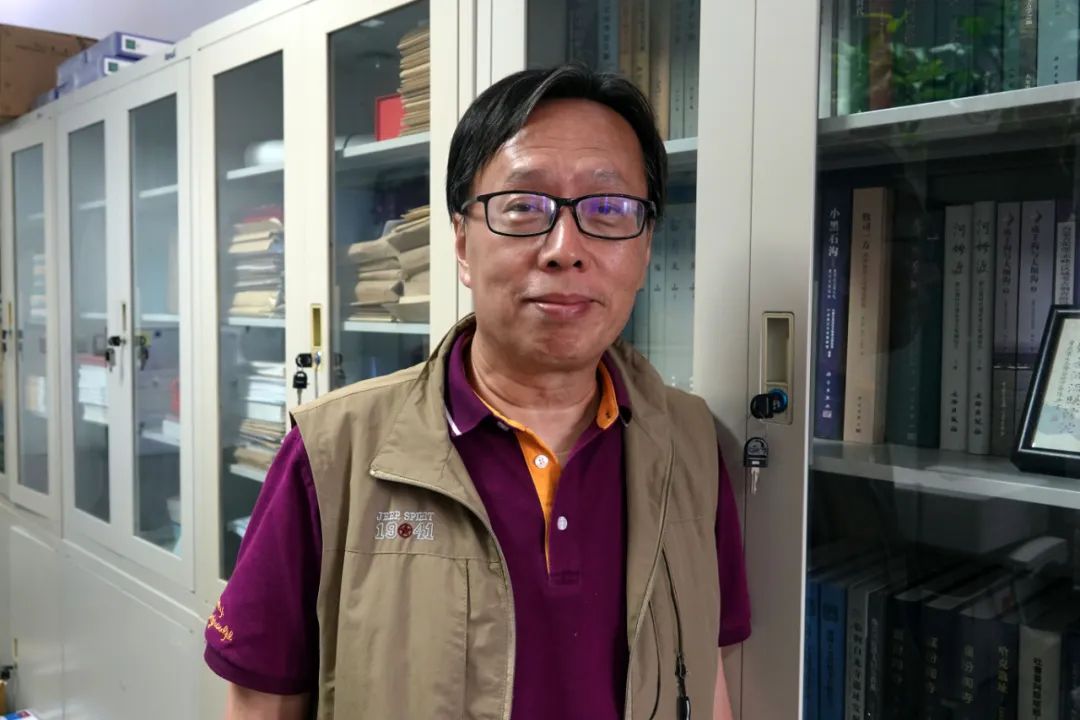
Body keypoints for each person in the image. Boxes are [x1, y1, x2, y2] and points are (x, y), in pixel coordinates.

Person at [205, 64, 751, 720]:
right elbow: (260, 704)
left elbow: (708, 674)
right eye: (524, 207)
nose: (565, 249)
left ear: (646, 246)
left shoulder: (689, 441)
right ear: (462, 243)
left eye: (608, 210)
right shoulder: (332, 453)